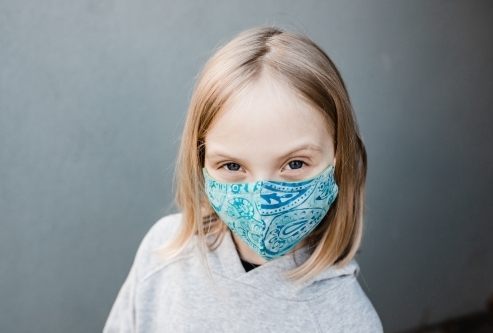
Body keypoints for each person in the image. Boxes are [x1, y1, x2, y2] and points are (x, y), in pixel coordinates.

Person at [104, 26, 383, 332]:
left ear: (338, 156)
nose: (262, 201)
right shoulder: (164, 251)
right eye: (233, 166)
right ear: (201, 160)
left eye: (295, 163)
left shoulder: (348, 322)